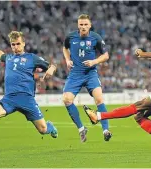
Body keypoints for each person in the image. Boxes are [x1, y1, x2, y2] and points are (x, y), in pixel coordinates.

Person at [62, 14, 112, 142]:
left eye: (85, 24)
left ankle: (106, 130)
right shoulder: (71, 37)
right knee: (67, 99)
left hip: (90, 74)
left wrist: (94, 62)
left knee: (99, 98)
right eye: (81, 25)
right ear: (78, 25)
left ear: (90, 25)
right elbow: (65, 47)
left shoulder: (96, 37)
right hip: (75, 74)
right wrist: (67, 60)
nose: (83, 27)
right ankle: (81, 128)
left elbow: (106, 55)